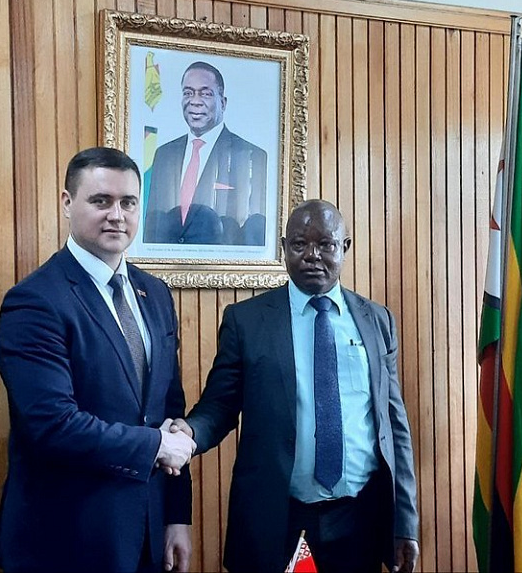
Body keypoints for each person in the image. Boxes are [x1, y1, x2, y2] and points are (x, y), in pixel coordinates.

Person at [171, 199, 420, 573]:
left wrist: (405, 521)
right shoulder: (247, 321)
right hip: (277, 518)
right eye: (300, 244)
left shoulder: (377, 320)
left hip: (360, 518)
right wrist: (190, 432)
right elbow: (220, 405)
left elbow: (394, 425)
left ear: (345, 247)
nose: (312, 256)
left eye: (326, 244)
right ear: (284, 247)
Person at [0, 147, 196, 573]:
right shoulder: (35, 301)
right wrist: (156, 445)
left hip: (147, 533)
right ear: (67, 203)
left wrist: (177, 516)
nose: (116, 216)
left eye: (128, 203)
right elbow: (53, 425)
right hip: (66, 539)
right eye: (101, 201)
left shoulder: (155, 294)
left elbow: (169, 414)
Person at [143, 61, 268, 246]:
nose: (195, 101)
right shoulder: (164, 154)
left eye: (205, 94)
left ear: (223, 103)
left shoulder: (251, 156)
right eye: (188, 93)